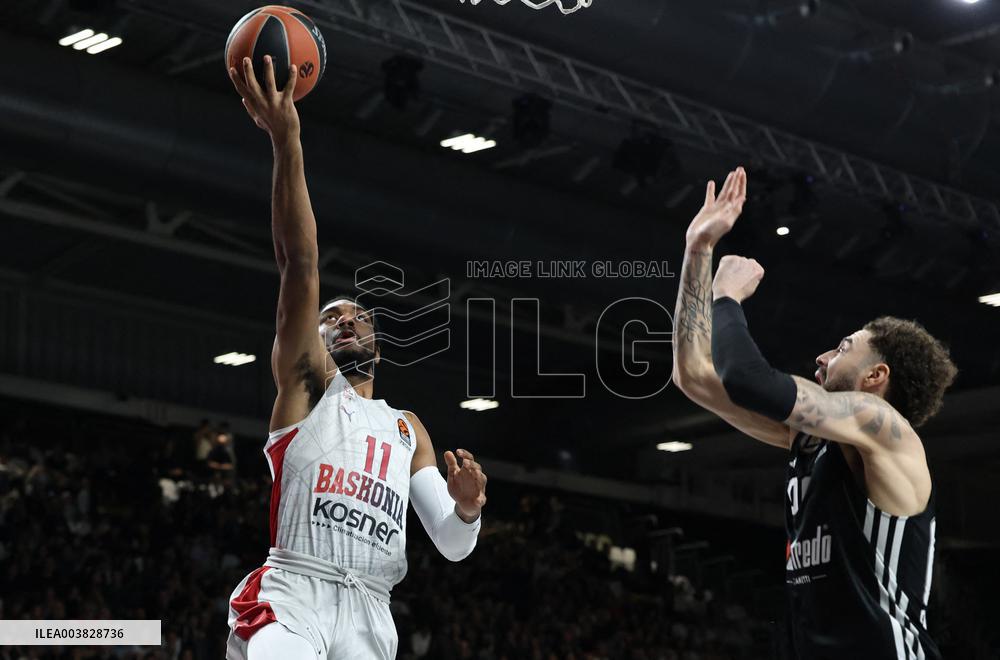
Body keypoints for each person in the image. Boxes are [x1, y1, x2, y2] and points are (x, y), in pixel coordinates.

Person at [224, 55, 488, 660]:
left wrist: (468, 509)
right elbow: (300, 260)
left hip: (371, 613)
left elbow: (450, 544)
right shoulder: (310, 386)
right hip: (294, 598)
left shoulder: (407, 428)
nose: (344, 320)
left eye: (357, 316)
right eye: (330, 318)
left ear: (376, 338)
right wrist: (287, 140)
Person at [672, 167, 956, 659]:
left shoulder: (886, 430)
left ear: (875, 377)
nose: (824, 357)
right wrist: (697, 250)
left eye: (844, 347)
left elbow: (748, 380)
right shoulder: (816, 441)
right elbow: (692, 375)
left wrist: (727, 298)